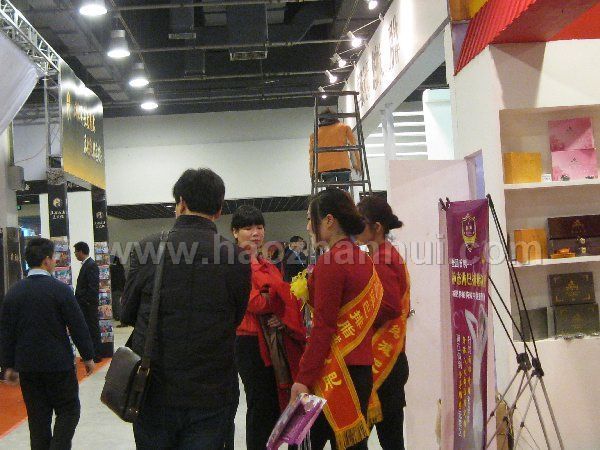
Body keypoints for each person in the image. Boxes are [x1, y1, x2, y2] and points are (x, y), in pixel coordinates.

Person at [121, 168, 251, 450]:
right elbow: (236, 316)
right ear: (219, 209)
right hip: (213, 388)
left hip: (154, 387)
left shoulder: (147, 248)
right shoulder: (236, 257)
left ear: (180, 203)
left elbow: (128, 312)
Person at [290, 188, 383, 450]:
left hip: (332, 373)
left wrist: (303, 378)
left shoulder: (331, 262)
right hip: (360, 371)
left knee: (301, 443)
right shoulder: (364, 259)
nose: (308, 227)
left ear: (329, 220)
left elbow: (323, 328)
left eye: (311, 219)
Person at [0, 237, 96, 450]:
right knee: (69, 410)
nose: (54, 262)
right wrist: (88, 356)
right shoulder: (60, 290)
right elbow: (77, 325)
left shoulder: (13, 293)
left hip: (28, 367)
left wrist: (8, 365)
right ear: (46, 260)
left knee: (37, 419)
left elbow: (6, 333)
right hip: (58, 365)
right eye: (53, 258)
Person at [232, 205, 306, 450]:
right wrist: (277, 300)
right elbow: (254, 302)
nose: (256, 233)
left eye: (259, 227)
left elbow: (285, 298)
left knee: (274, 402)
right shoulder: (236, 263)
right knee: (260, 404)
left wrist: (279, 309)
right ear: (235, 232)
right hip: (250, 342)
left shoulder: (268, 263)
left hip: (273, 339)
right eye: (248, 228)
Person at [356, 195, 410, 450]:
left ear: (376, 227)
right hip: (391, 358)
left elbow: (389, 307)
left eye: (360, 223)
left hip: (384, 362)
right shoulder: (383, 254)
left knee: (384, 438)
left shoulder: (382, 259)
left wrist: (356, 313)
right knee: (392, 438)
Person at [308, 108, 362, 188]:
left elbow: (312, 155)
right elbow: (353, 148)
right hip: (343, 165)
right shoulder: (344, 128)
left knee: (331, 192)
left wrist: (312, 172)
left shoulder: (315, 134)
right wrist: (357, 165)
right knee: (343, 190)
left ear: (320, 120)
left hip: (325, 168)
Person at [74, 241, 102, 362]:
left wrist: (86, 301)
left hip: (88, 305)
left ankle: (96, 354)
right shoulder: (86, 264)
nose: (75, 254)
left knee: (93, 329)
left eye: (76, 252)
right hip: (85, 304)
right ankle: (90, 354)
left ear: (81, 251)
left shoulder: (91, 265)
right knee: (88, 329)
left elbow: (92, 287)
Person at [109, 255, 126, 326]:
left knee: (116, 303)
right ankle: (118, 316)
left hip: (115, 288)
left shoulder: (112, 268)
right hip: (121, 288)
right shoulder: (121, 267)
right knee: (118, 303)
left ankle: (119, 317)